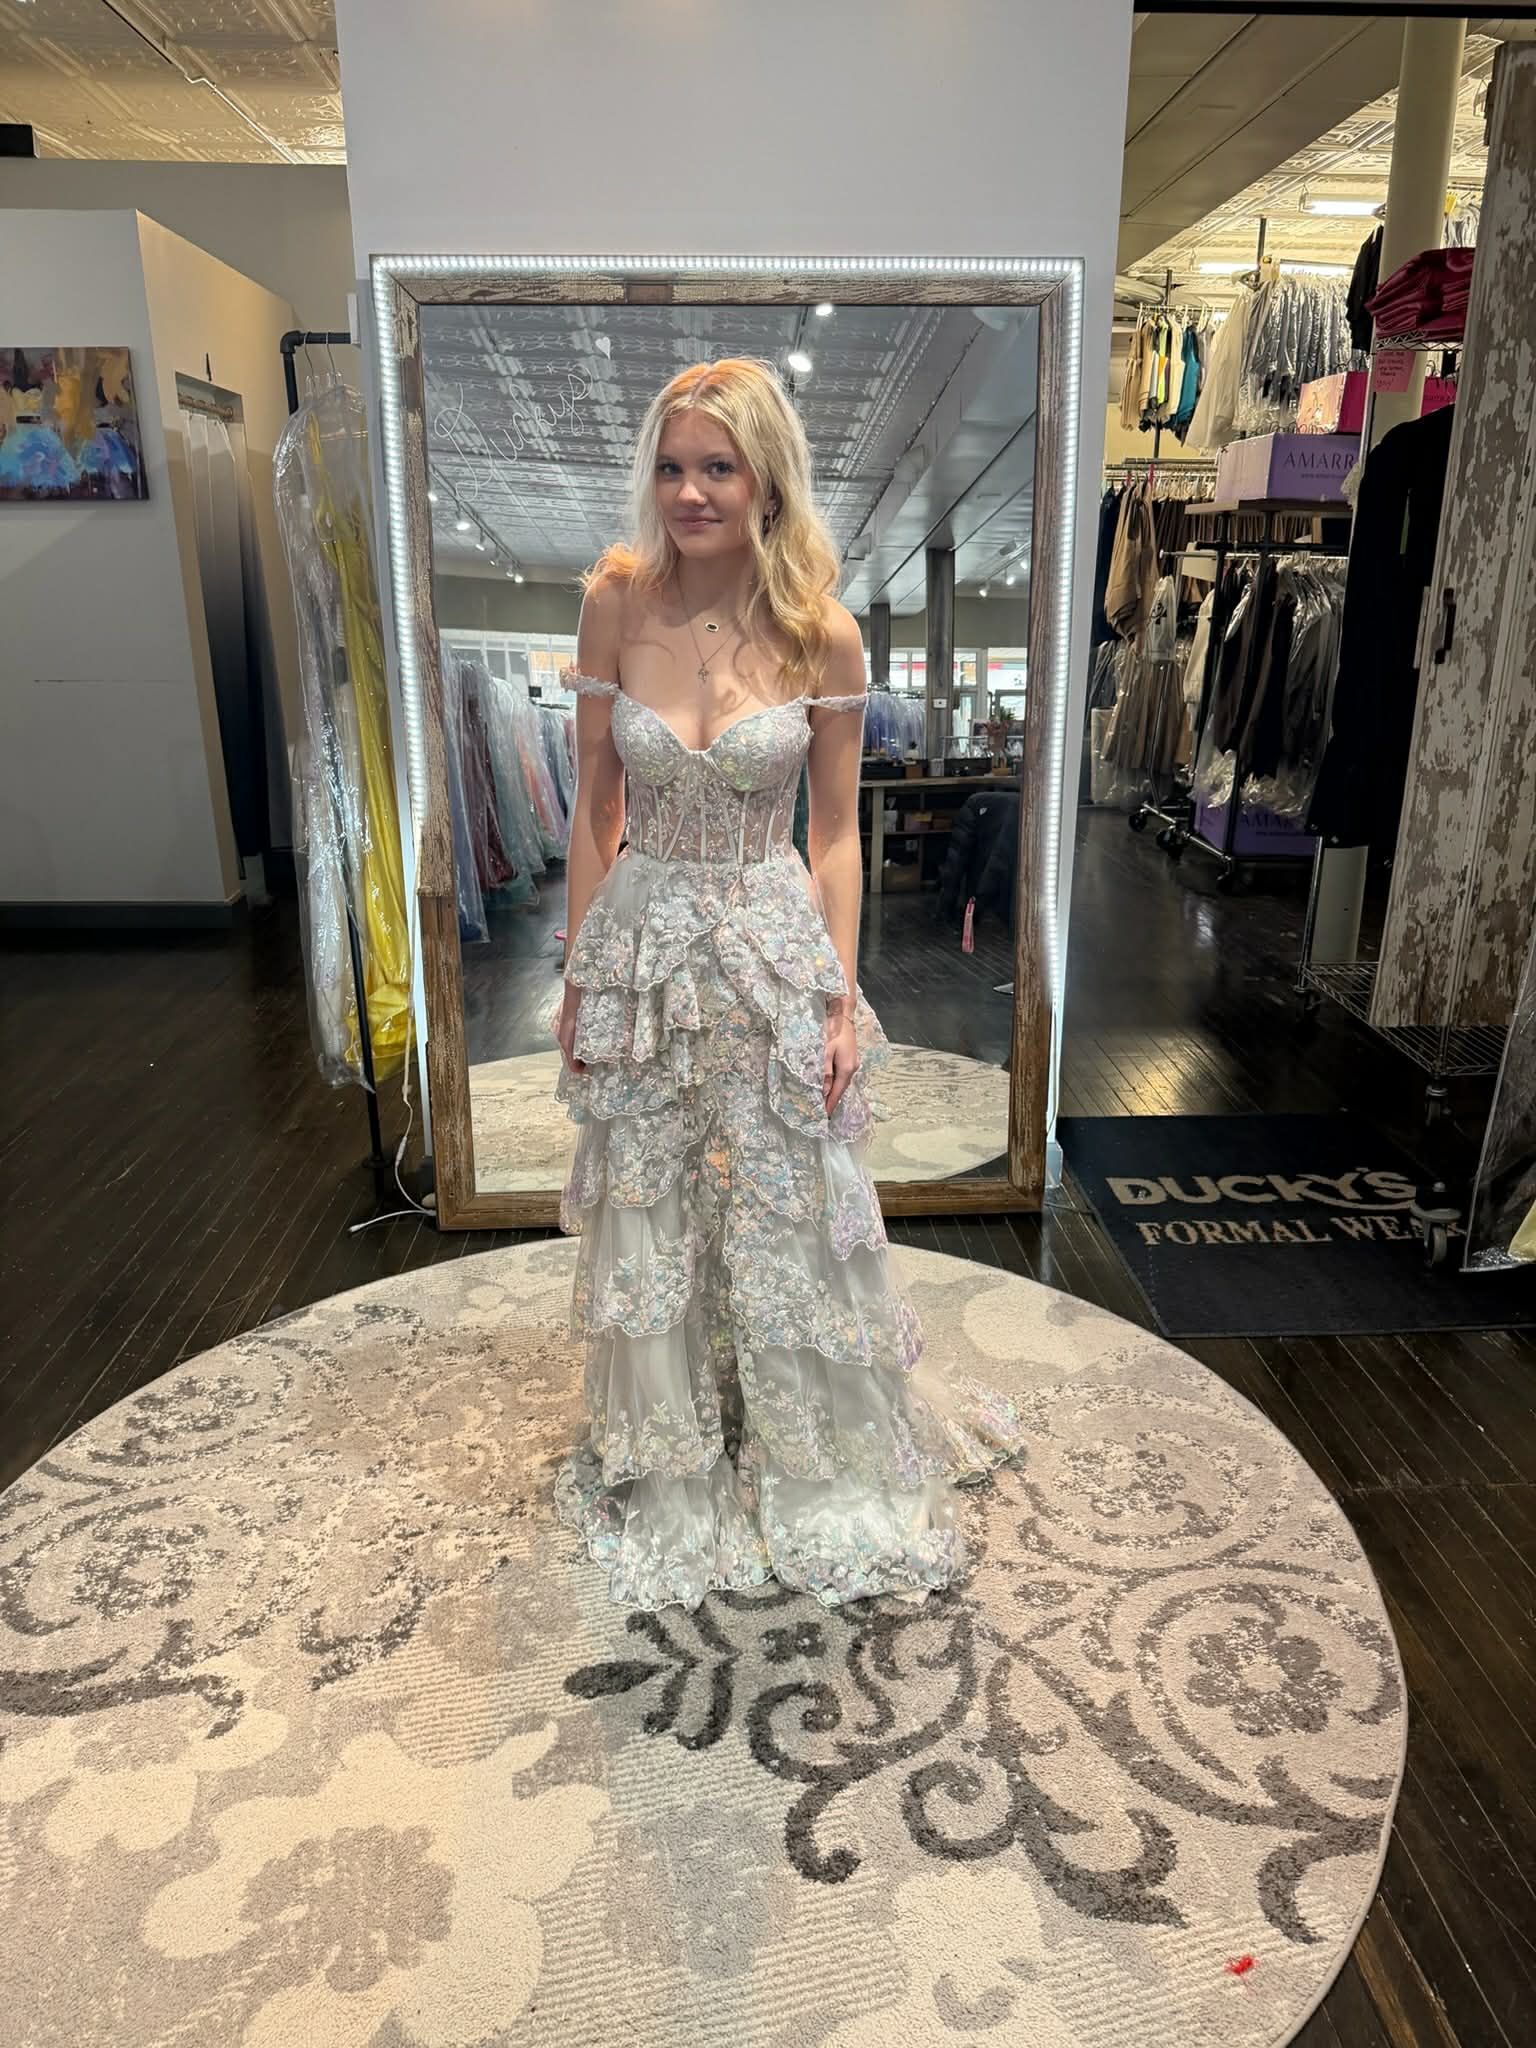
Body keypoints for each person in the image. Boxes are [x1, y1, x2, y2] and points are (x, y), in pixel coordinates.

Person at [552, 356, 1026, 1612]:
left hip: (771, 949)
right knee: (650, 1194)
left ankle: (813, 1452)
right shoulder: (613, 603)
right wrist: (581, 971)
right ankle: (673, 1449)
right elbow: (595, 810)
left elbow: (835, 835)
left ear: (766, 479)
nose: (690, 491)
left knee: (789, 1200)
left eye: (718, 466)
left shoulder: (823, 629)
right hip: (646, 949)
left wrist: (836, 998)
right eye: (672, 466)